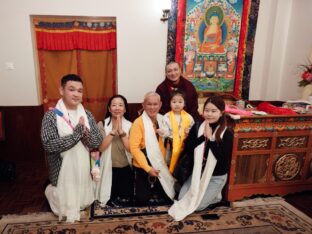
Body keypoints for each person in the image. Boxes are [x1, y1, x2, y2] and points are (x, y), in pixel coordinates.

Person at [41, 74, 103, 222]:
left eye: (80, 91)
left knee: (83, 203)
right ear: (61, 91)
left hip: (84, 168)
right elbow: (49, 144)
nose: (76, 94)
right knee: (61, 209)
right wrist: (76, 135)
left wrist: (84, 133)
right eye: (71, 89)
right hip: (61, 169)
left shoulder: (86, 114)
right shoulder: (51, 116)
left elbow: (96, 142)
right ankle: (49, 190)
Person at [168, 95, 233, 221]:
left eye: (214, 111)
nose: (209, 114)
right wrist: (203, 137)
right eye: (207, 110)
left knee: (197, 206)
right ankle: (208, 193)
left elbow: (221, 157)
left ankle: (216, 195)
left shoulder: (227, 133)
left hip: (216, 177)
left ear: (221, 113)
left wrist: (211, 139)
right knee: (183, 199)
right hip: (198, 173)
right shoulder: (198, 126)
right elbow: (188, 149)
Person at [129, 92, 176, 206]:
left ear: (160, 105)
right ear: (143, 105)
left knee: (169, 197)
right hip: (144, 165)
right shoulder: (138, 123)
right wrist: (148, 169)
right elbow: (134, 148)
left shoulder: (164, 119)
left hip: (161, 163)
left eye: (155, 104)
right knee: (142, 201)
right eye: (149, 104)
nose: (152, 107)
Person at [95, 94, 133, 207]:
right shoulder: (101, 124)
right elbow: (101, 148)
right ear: (109, 109)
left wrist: (121, 132)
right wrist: (113, 131)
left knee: (126, 198)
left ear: (125, 109)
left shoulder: (131, 125)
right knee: (108, 197)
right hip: (107, 167)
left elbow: (130, 149)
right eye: (114, 105)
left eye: (120, 105)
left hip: (126, 168)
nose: (117, 108)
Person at [158, 90, 194, 173]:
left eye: (180, 102)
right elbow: (165, 131)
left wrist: (189, 132)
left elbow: (192, 131)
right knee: (169, 162)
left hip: (184, 146)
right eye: (174, 102)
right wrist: (163, 132)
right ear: (170, 103)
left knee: (181, 164)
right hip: (171, 146)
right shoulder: (166, 117)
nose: (177, 104)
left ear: (184, 103)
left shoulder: (189, 117)